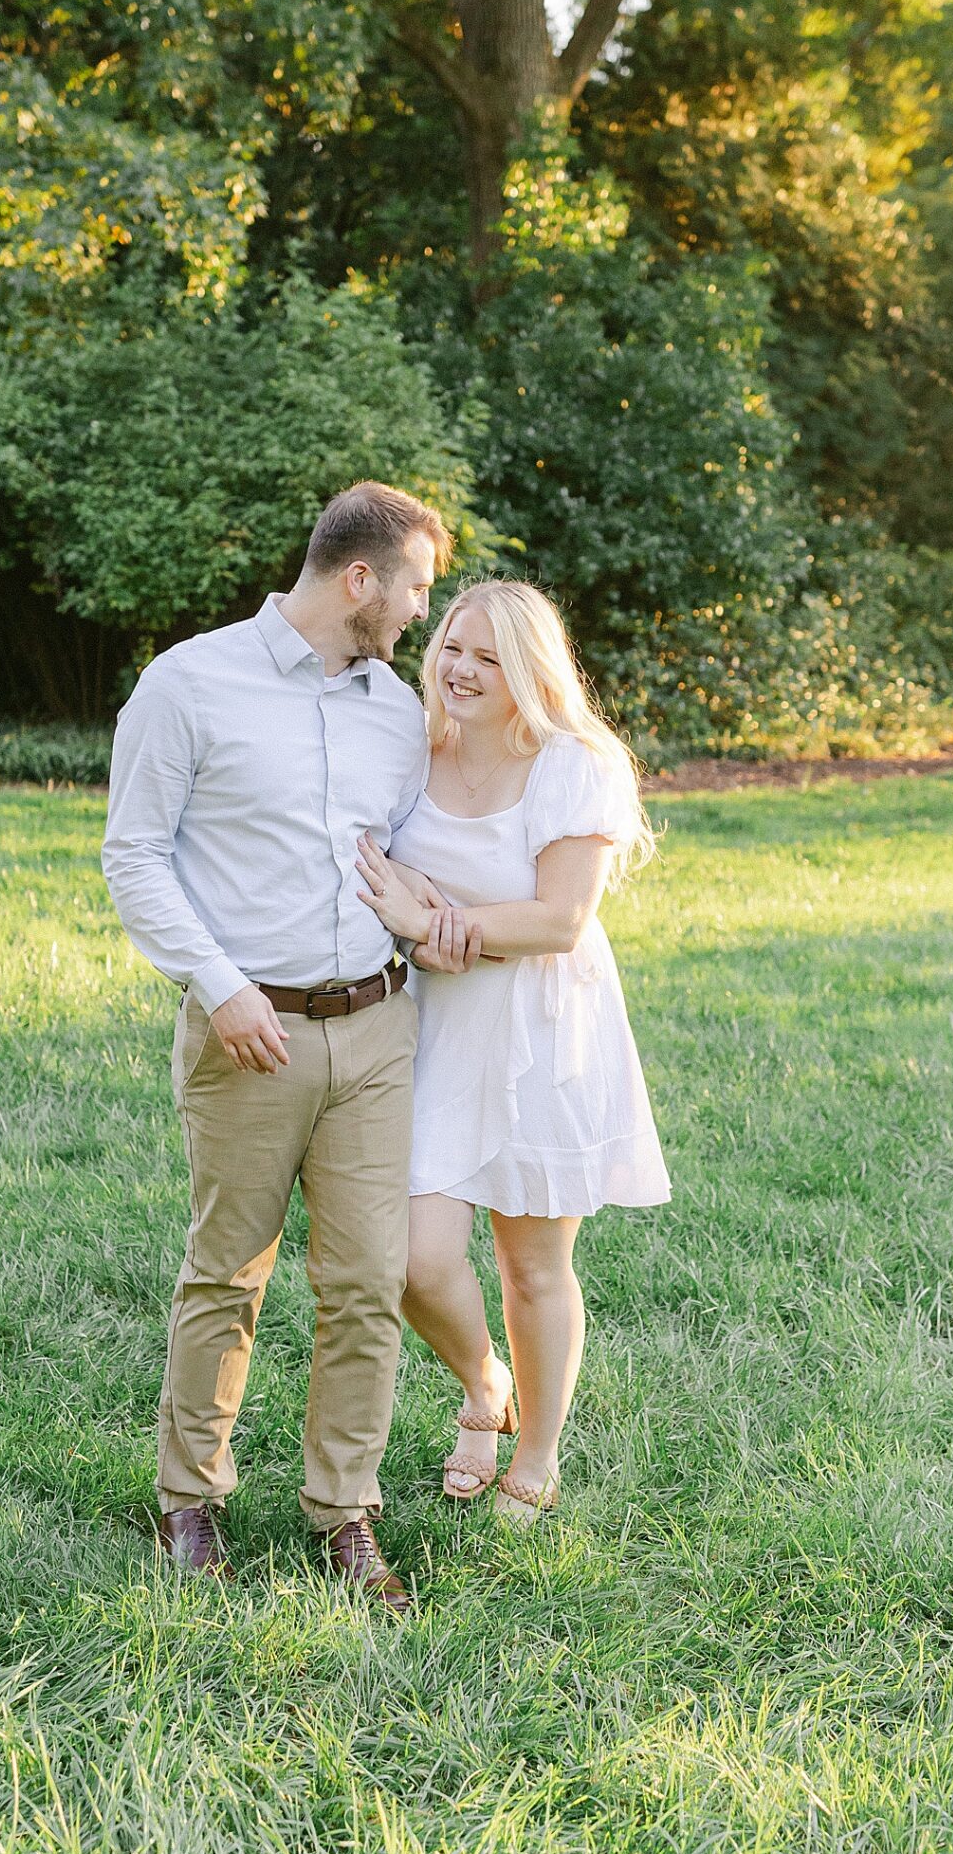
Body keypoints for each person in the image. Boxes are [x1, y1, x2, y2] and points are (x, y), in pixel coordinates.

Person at [100, 481, 468, 1612]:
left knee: (369, 1277)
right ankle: (189, 1497)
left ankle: (343, 1511)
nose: (417, 615)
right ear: (359, 580)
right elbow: (135, 854)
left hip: (377, 1029)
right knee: (229, 1271)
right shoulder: (188, 682)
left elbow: (404, 845)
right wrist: (218, 988)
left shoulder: (393, 710)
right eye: (413, 591)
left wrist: (437, 909)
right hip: (245, 1034)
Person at [354, 579, 669, 1523]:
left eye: (489, 657)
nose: (461, 669)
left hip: (543, 1029)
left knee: (532, 1264)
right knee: (412, 1260)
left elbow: (562, 919)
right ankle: (485, 1383)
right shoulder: (410, 748)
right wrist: (419, 915)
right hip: (437, 1026)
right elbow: (375, 861)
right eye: (453, 645)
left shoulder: (575, 763)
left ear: (530, 671)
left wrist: (442, 921)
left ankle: (536, 1452)